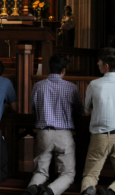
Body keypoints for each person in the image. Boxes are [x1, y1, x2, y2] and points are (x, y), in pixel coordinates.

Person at [24, 55, 83, 195]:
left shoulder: (38, 86)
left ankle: (31, 190)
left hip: (44, 132)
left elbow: (33, 107)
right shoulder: (71, 87)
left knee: (40, 171)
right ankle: (49, 192)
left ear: (48, 69)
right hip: (64, 134)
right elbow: (80, 111)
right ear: (63, 71)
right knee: (67, 174)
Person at [81, 48, 115, 195]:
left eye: (99, 61)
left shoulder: (94, 84)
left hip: (99, 137)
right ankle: (110, 193)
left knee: (90, 175)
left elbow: (86, 109)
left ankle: (87, 191)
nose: (97, 63)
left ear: (106, 66)